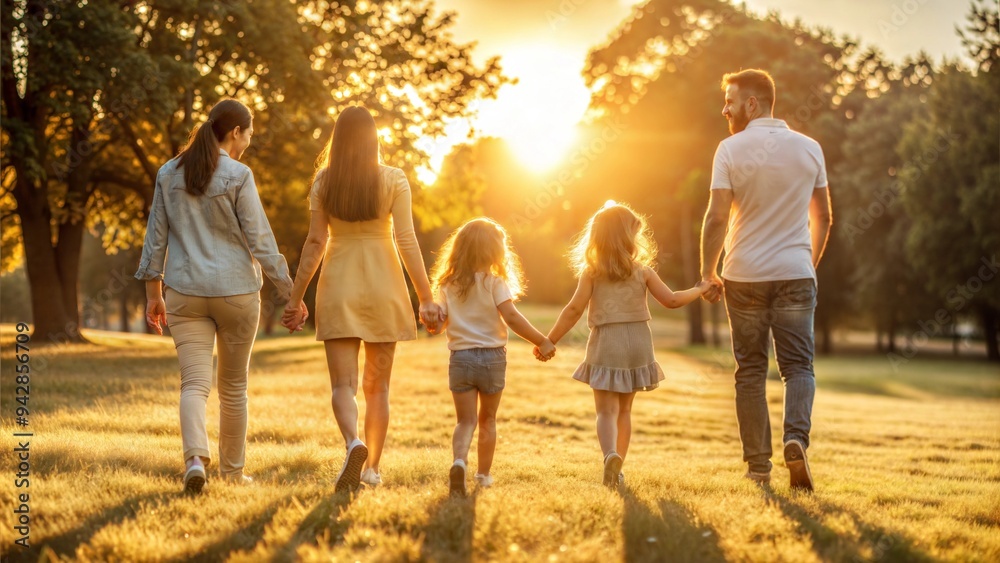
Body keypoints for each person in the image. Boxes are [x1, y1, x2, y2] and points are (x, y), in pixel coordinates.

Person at [136, 99, 294, 494]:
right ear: (236, 132)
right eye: (249, 134)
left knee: (193, 384)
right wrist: (293, 292)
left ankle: (194, 459)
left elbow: (155, 238)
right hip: (237, 293)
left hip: (184, 294)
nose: (249, 142)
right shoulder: (239, 174)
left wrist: (153, 292)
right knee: (234, 387)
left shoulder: (167, 173)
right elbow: (260, 240)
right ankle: (234, 473)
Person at [280, 106, 442, 493]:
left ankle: (353, 442)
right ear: (374, 138)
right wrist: (426, 296)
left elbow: (316, 242)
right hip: (385, 285)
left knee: (343, 385)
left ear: (338, 139)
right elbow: (406, 239)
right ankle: (371, 469)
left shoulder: (324, 181)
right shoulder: (394, 179)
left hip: (339, 285)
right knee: (378, 388)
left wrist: (295, 298)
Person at [699, 69, 832, 491]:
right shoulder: (810, 149)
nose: (725, 109)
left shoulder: (729, 149)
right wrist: (806, 264)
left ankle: (759, 467)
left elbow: (718, 215)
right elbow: (824, 216)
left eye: (730, 100)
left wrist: (707, 271)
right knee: (798, 367)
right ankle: (796, 438)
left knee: (751, 371)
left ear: (752, 104)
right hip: (796, 272)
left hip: (744, 276)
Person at [546, 203, 712, 488]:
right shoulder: (642, 272)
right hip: (638, 342)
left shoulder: (592, 272)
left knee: (605, 411)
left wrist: (550, 340)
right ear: (629, 237)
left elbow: (573, 309)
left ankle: (610, 455)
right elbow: (671, 300)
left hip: (607, 341)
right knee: (624, 411)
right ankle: (618, 466)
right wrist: (700, 288)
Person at [428, 218, 556, 497]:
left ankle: (459, 461)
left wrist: (432, 322)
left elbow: (439, 324)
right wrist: (541, 341)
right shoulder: (494, 282)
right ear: (495, 252)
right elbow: (511, 317)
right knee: (488, 420)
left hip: (460, 359)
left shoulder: (448, 285)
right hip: (492, 359)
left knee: (465, 421)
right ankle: (483, 475)